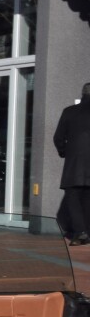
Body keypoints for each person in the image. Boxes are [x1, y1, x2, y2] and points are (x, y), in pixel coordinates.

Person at [54, 83, 90, 246]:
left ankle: (80, 231)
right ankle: (86, 231)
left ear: (82, 94)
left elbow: (58, 138)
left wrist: (64, 152)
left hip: (74, 163)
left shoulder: (69, 112)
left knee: (73, 196)